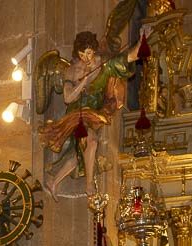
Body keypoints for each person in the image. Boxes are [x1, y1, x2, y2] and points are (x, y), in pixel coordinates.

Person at [40, 31, 139, 198]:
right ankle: (89, 185)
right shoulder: (73, 70)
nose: (86, 57)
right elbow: (68, 97)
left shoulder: (104, 64)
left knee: (80, 152)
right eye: (82, 54)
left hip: (95, 113)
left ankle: (54, 181)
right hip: (77, 114)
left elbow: (131, 56)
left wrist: (143, 38)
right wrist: (82, 83)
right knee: (91, 141)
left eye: (89, 53)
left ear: (94, 50)